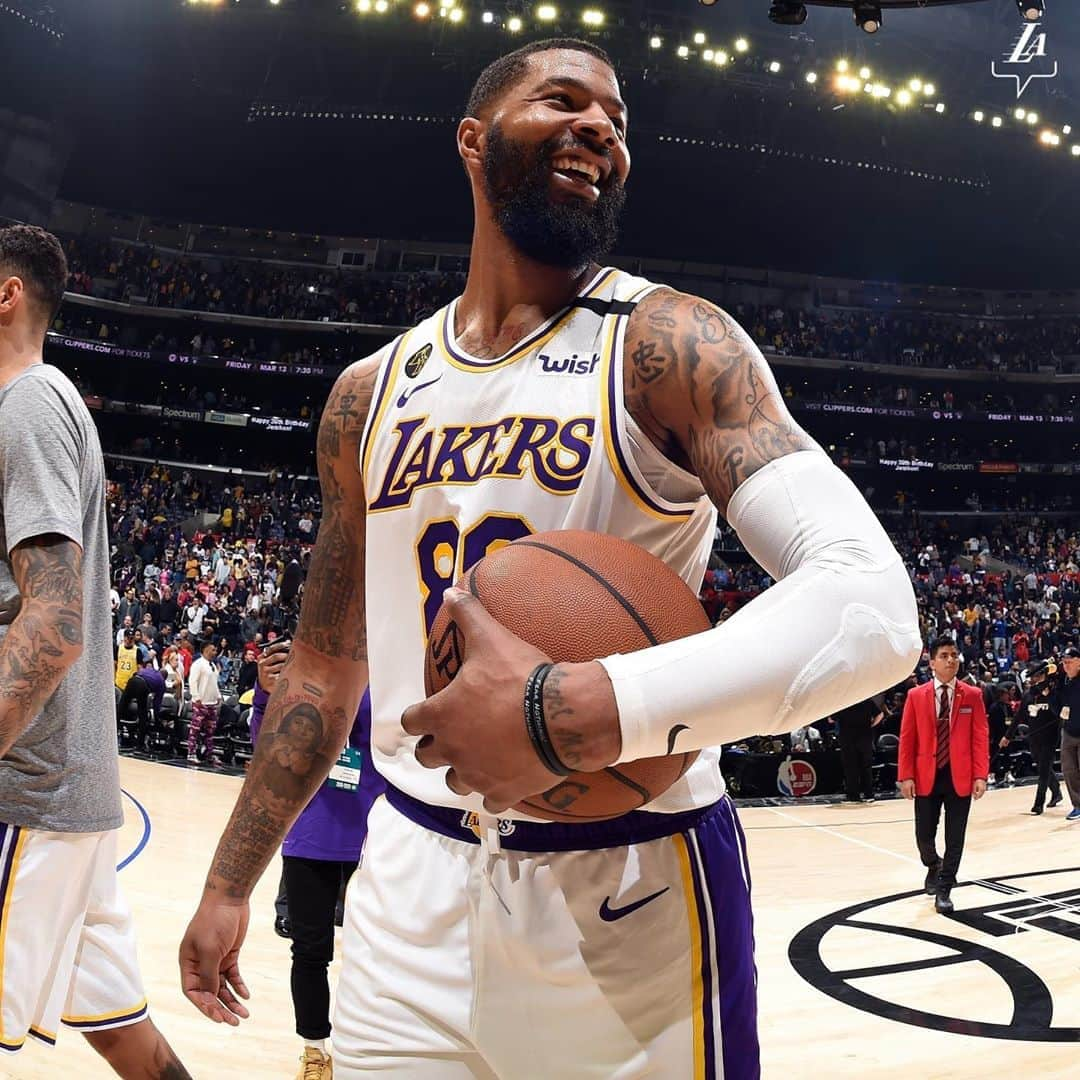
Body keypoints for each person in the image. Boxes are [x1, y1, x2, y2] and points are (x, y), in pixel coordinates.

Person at [179, 40, 920, 1077]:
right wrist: (229, 881)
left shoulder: (670, 346)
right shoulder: (368, 391)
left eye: (616, 120)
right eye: (562, 101)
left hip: (631, 889)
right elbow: (322, 666)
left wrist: (568, 712)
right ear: (475, 141)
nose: (600, 129)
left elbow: (870, 606)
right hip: (407, 886)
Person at [0, 224, 190, 1074]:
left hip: (25, 794)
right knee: (126, 1035)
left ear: (7, 294)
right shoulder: (49, 402)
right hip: (69, 794)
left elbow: (51, 629)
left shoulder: (28, 405)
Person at [249, 641, 385, 1080]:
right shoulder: (307, 669)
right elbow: (266, 753)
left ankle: (364, 1051)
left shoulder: (389, 666)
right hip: (312, 835)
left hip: (377, 835)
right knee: (310, 952)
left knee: (376, 953)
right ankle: (314, 1051)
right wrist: (267, 693)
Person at [898, 637, 990, 914]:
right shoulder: (916, 696)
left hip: (959, 776)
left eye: (954, 655)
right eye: (945, 655)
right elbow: (907, 738)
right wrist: (906, 775)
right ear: (932, 662)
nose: (951, 660)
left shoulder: (972, 695)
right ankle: (933, 864)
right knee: (923, 836)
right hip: (926, 774)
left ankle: (945, 887)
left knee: (955, 836)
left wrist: (980, 775)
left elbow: (980, 737)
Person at [1014, 660, 1063, 815]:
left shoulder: (1054, 691)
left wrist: (1049, 696)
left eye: (1038, 675)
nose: (1035, 679)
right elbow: (1019, 716)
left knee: (1043, 770)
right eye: (1034, 676)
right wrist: (1007, 736)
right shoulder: (1029, 695)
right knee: (1043, 766)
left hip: (1050, 736)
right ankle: (1056, 791)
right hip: (1033, 736)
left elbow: (1059, 712)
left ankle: (1038, 804)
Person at [834, 696, 883, 803]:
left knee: (850, 767)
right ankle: (869, 794)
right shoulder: (866, 700)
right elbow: (880, 714)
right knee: (866, 767)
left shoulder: (843, 702)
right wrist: (871, 725)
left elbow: (830, 719)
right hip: (864, 737)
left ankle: (853, 795)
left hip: (847, 738)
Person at [1054, 645, 1080, 821]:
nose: (1066, 666)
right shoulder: (1063, 681)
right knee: (1068, 769)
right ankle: (1077, 805)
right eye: (1064, 663)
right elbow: (1058, 707)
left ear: (1079, 662)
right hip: (1069, 731)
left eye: (1069, 662)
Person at [187, 641, 221, 765]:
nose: (215, 652)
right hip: (201, 703)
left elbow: (214, 682)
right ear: (206, 650)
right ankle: (191, 753)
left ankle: (209, 754)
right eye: (213, 650)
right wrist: (196, 697)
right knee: (195, 730)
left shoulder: (213, 665)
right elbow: (192, 681)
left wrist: (218, 696)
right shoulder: (198, 664)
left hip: (212, 703)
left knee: (210, 731)